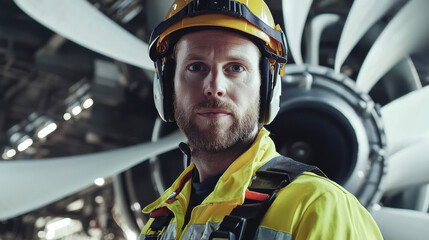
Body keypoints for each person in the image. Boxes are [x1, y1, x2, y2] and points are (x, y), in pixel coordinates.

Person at [139, 0, 383, 239]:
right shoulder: (159, 223)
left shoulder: (319, 207)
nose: (214, 87)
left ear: (267, 87)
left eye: (235, 68)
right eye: (195, 67)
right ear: (167, 86)